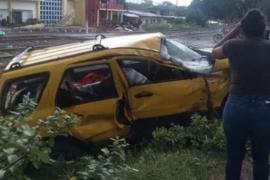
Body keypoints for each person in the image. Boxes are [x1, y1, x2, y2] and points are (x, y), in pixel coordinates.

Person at [212, 9, 270, 180]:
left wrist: (234, 31)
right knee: (261, 159)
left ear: (243, 28)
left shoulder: (233, 46)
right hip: (265, 109)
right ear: (263, 28)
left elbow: (214, 51)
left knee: (234, 158)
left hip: (236, 107)